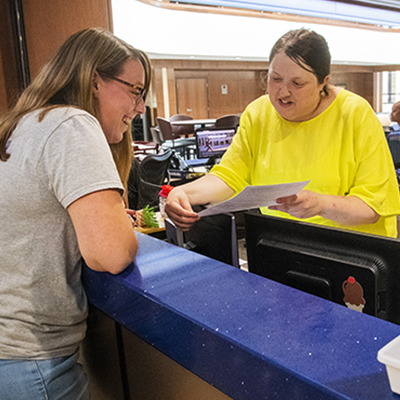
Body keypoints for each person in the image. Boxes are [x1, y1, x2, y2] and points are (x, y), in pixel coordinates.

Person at [0, 27, 151, 399]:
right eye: (134, 90)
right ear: (94, 79)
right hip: (32, 361)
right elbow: (111, 253)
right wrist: (114, 222)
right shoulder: (72, 123)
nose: (141, 107)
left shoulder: (25, 124)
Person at [166, 28, 400, 238]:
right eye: (275, 79)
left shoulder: (354, 114)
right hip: (282, 242)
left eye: (297, 84)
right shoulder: (258, 113)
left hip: (349, 250)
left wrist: (322, 204)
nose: (283, 92)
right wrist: (183, 193)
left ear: (323, 82)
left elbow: (373, 207)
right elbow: (230, 177)